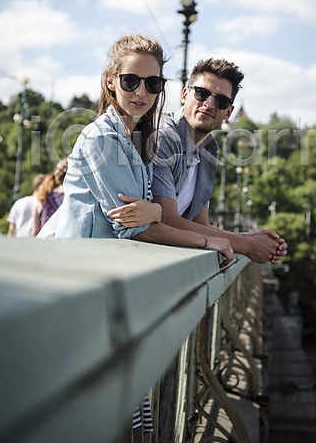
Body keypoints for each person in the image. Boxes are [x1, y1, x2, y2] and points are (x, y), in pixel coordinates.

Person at [54, 34, 235, 435]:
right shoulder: (103, 138)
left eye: (153, 83)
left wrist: (153, 211)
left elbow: (151, 213)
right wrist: (206, 240)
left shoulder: (135, 142)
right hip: (80, 284)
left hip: (107, 287)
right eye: (131, 81)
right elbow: (137, 226)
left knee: (116, 415)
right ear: (110, 81)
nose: (142, 92)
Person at [117, 58, 287, 263]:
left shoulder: (209, 149)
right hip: (128, 257)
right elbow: (167, 219)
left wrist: (250, 238)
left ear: (229, 112)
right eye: (201, 93)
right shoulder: (162, 136)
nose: (209, 104)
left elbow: (200, 223)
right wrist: (247, 245)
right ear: (185, 95)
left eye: (221, 101)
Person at [33, 158, 67, 236]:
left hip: (44, 240)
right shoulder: (72, 196)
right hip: (64, 240)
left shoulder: (44, 196)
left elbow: (35, 231)